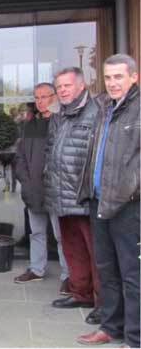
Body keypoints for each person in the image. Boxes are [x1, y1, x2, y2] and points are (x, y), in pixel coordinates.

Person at [77, 54, 140, 348]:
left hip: (129, 206)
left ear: (134, 77)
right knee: (107, 270)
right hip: (99, 201)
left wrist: (132, 189)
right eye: (108, 77)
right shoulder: (103, 108)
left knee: (132, 274)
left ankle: (135, 337)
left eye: (119, 77)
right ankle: (111, 327)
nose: (112, 83)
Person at [43, 67, 101, 325]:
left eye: (67, 86)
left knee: (97, 253)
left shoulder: (97, 112)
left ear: (81, 86)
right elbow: (51, 152)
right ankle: (80, 293)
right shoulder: (57, 117)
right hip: (61, 195)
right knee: (73, 249)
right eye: (60, 87)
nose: (63, 91)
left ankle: (103, 302)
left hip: (85, 196)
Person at [13, 83, 70, 294]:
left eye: (45, 96)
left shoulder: (63, 122)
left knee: (62, 236)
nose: (40, 101)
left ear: (54, 97)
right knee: (36, 232)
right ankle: (37, 269)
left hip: (57, 189)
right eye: (37, 97)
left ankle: (69, 276)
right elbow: (19, 158)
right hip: (33, 188)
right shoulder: (29, 125)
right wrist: (25, 181)